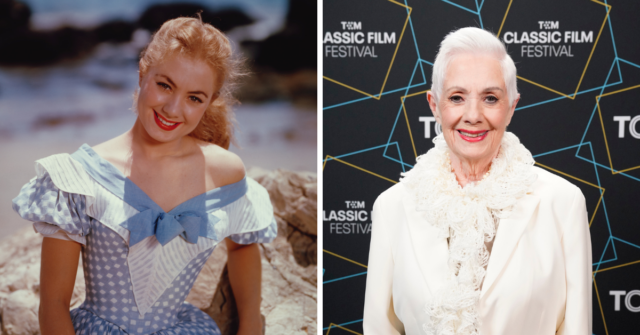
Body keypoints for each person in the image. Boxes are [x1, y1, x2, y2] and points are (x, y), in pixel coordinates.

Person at [12, 16, 276, 335]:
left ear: (211, 102)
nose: (173, 109)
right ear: (142, 73)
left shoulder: (225, 171)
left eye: (195, 98)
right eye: (165, 85)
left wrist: (250, 325)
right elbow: (53, 306)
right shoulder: (80, 176)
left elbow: (243, 245)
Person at [363, 27, 592, 335]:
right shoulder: (391, 207)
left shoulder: (563, 202)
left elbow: (575, 328)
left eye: (490, 98)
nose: (473, 115)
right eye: (457, 98)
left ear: (511, 107)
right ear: (434, 106)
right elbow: (380, 328)